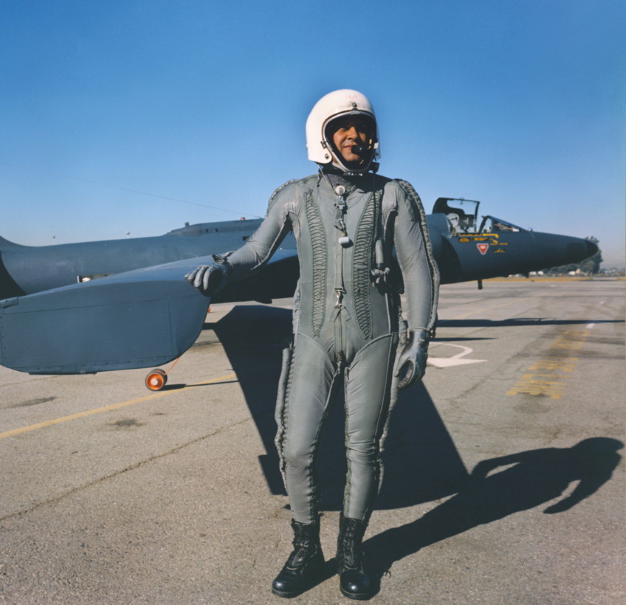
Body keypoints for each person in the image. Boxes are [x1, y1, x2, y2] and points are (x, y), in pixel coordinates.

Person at [186, 89, 439, 599]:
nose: (355, 136)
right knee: (296, 448)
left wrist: (420, 338)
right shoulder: (294, 195)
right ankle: (307, 548)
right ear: (322, 135)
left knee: (364, 449)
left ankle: (351, 550)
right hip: (313, 337)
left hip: (377, 336)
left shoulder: (395, 195)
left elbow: (418, 268)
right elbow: (257, 250)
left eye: (363, 127)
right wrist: (222, 270)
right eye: (344, 127)